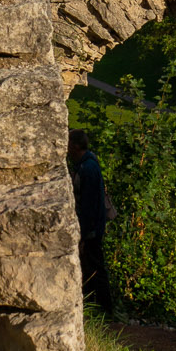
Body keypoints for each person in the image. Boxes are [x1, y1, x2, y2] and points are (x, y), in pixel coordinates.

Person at [67, 129, 113, 315]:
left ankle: (105, 311)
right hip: (92, 227)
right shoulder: (86, 164)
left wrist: (84, 235)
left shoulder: (88, 169)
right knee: (91, 267)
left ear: (75, 146)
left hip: (92, 229)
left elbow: (89, 206)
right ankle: (98, 308)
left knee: (96, 268)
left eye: (69, 144)